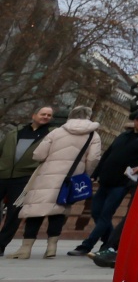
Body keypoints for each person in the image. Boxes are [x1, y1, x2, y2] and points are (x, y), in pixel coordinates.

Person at [9, 106, 101, 258]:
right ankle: (51, 248)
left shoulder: (57, 132)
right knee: (59, 210)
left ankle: (25, 249)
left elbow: (39, 154)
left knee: (36, 210)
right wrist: (85, 173)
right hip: (70, 178)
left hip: (47, 175)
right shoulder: (93, 135)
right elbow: (93, 159)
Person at [71, 112, 138, 257]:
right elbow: (107, 154)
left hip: (122, 183)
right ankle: (109, 240)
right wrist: (95, 174)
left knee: (105, 214)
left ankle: (86, 245)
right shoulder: (123, 136)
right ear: (134, 121)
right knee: (96, 212)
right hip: (105, 180)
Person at [0, 107, 55, 251]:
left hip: (25, 178)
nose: (46, 117)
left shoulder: (51, 135)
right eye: (43, 114)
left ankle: (1, 245)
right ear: (34, 115)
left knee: (14, 213)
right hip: (2, 174)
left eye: (49, 115)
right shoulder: (16, 131)